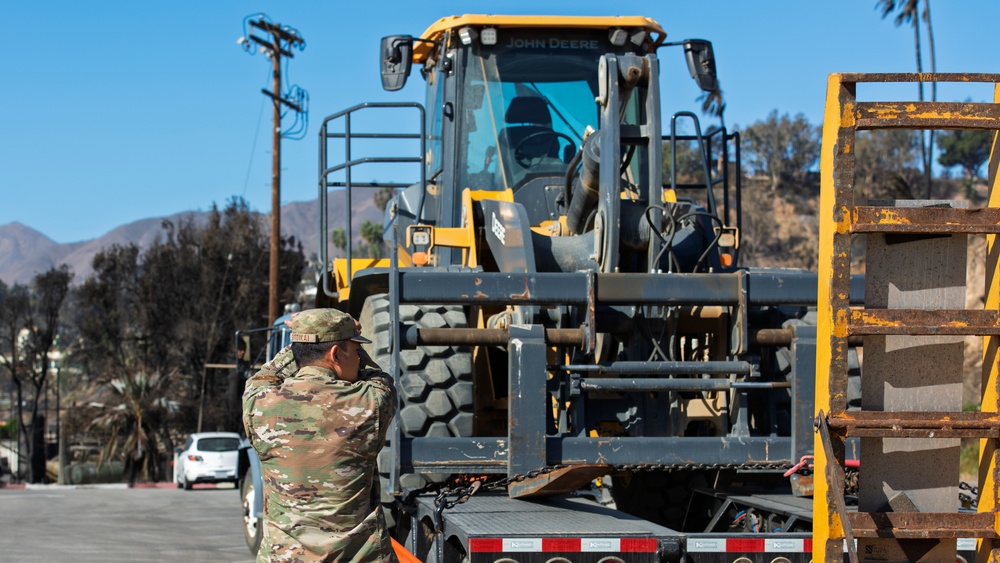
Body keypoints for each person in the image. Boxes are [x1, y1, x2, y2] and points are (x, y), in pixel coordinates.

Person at [243, 308, 399, 563]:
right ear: (336, 354)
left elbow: (265, 376)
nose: (359, 359)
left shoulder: (259, 404)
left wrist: (301, 337)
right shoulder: (370, 403)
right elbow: (382, 379)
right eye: (356, 350)